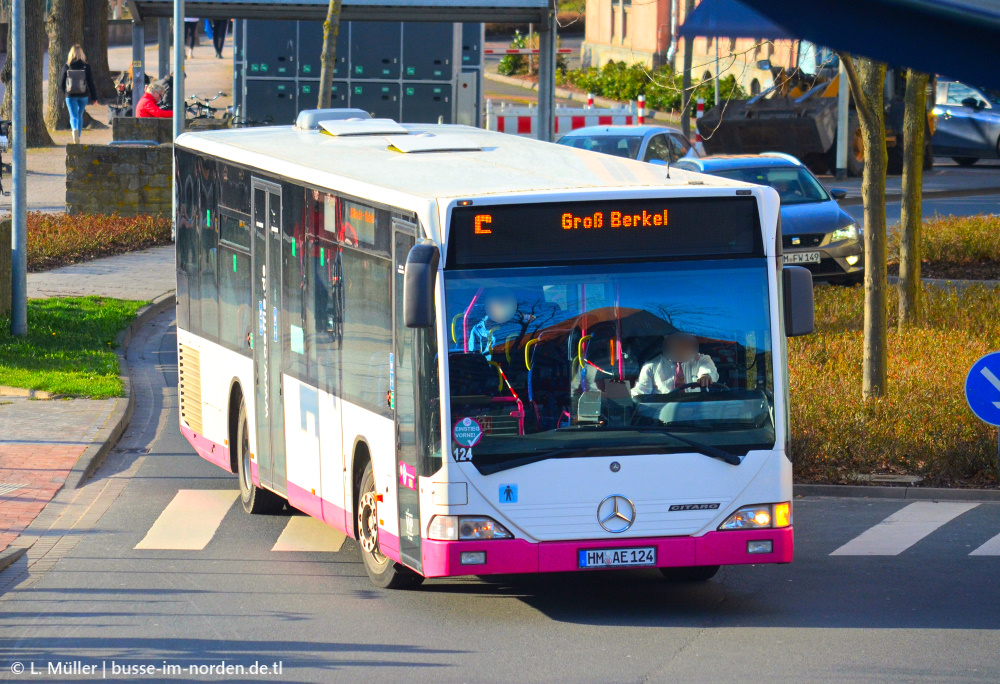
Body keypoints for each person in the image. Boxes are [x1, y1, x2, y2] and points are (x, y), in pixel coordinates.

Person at [631, 332, 719, 397]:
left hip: (694, 409)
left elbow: (708, 367)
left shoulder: (699, 359)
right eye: (678, 344)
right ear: (668, 343)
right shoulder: (651, 366)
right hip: (664, 412)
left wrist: (706, 375)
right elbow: (641, 395)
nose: (682, 347)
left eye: (686, 343)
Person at [59, 44, 98, 144]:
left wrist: (66, 93)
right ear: (81, 54)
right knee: (80, 115)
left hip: (70, 96)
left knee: (73, 116)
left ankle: (74, 130)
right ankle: (78, 136)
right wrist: (94, 97)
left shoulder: (67, 66)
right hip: (83, 95)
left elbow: (62, 83)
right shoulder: (86, 66)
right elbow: (91, 83)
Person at [468, 287, 519, 360]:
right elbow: (473, 356)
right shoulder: (479, 330)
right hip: (492, 366)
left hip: (528, 362)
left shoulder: (527, 322)